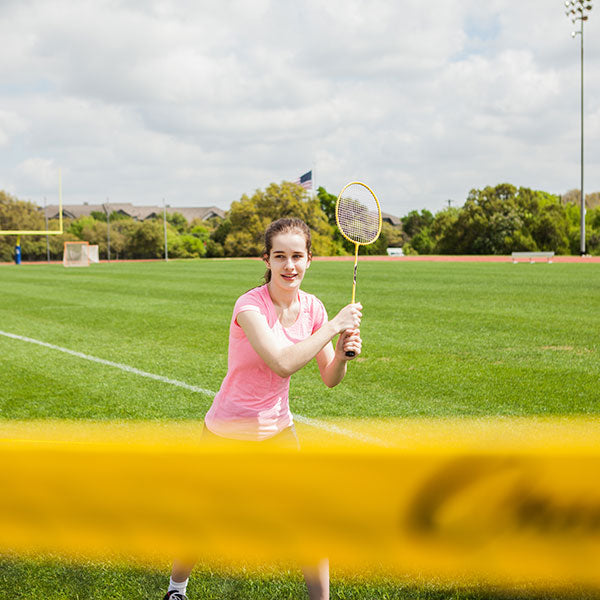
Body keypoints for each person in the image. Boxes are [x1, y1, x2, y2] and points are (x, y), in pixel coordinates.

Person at [163, 217, 362, 600]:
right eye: (280, 256)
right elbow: (282, 362)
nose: (290, 266)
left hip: (278, 432)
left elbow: (330, 378)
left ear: (309, 261)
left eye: (297, 256)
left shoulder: (313, 309)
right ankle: (177, 589)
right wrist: (335, 325)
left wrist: (340, 355)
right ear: (266, 260)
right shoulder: (249, 306)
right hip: (226, 432)